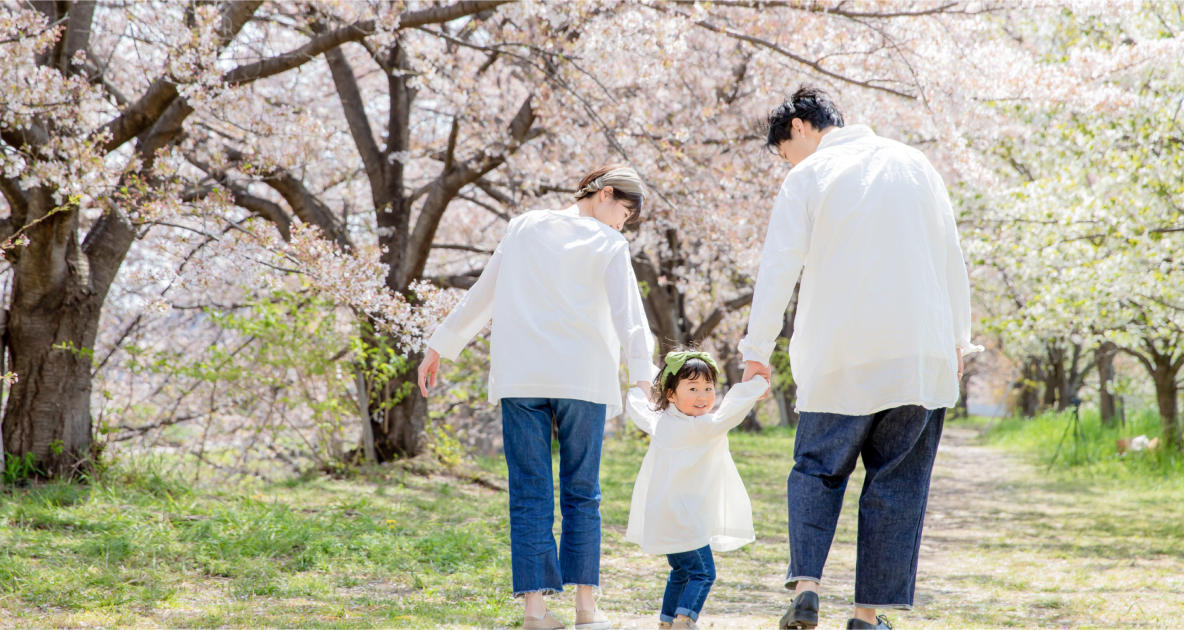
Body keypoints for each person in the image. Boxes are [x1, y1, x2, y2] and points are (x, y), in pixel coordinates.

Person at [738, 87, 981, 630]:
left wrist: (756, 350)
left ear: (800, 126)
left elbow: (778, 267)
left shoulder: (808, 177)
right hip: (918, 354)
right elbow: (950, 255)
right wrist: (959, 341)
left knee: (817, 470)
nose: (788, 162)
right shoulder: (916, 163)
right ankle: (867, 616)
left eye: (784, 151)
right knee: (897, 483)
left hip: (840, 354)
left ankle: (806, 589)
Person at [417, 164, 656, 630]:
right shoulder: (609, 245)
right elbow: (631, 317)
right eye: (624, 212)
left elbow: (484, 293)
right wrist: (641, 379)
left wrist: (439, 344)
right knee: (582, 493)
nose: (621, 224)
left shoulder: (524, 226)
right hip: (582, 380)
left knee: (529, 493)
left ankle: (535, 613)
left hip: (522, 378)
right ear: (605, 194)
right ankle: (586, 610)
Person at [624, 350, 769, 630]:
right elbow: (734, 407)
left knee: (680, 571)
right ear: (671, 394)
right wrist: (757, 384)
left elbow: (640, 407)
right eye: (692, 388)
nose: (703, 396)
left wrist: (637, 384)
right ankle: (685, 619)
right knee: (703, 573)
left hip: (663, 513)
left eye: (708, 388)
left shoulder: (662, 423)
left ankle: (667, 621)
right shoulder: (704, 427)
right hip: (687, 516)